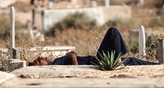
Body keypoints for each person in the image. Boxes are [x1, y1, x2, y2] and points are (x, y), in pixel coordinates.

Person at [29, 27, 160, 66]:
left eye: (37, 57)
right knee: (113, 32)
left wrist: (73, 56)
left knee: (131, 61)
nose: (40, 57)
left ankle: (158, 66)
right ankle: (118, 61)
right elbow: (73, 77)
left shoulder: (57, 61)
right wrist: (74, 60)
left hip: (98, 60)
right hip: (98, 62)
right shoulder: (55, 66)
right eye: (37, 61)